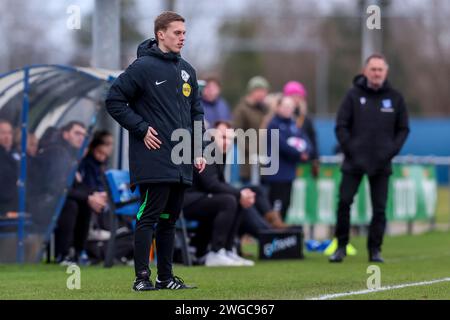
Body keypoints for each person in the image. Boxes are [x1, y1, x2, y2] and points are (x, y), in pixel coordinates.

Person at [106, 11, 206, 291]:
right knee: (148, 216)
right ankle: (141, 279)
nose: (182, 38)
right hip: (153, 158)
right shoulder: (141, 68)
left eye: (184, 33)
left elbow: (197, 111)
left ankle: (165, 277)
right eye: (177, 33)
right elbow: (114, 100)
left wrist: (197, 148)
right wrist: (140, 128)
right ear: (161, 34)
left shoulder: (187, 70)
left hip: (181, 159)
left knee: (169, 220)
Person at [329, 53, 410, 263]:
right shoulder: (352, 96)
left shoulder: (395, 98)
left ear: (386, 72)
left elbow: (403, 129)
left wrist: (390, 150)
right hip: (354, 161)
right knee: (344, 202)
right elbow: (341, 126)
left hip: (382, 163)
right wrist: (351, 149)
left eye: (380, 70)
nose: (376, 73)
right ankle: (341, 246)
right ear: (365, 71)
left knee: (380, 208)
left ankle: (375, 250)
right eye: (373, 69)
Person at [264, 96, 312, 221]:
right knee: (276, 206)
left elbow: (305, 140)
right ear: (278, 107)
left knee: (286, 204)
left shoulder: (293, 124)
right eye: (285, 106)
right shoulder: (273, 124)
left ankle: (281, 234)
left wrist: (306, 151)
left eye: (290, 107)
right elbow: (282, 145)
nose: (288, 110)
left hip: (289, 172)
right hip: (277, 173)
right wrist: (298, 154)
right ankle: (272, 234)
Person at [233, 76, 270, 183]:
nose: (263, 94)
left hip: (263, 163)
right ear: (252, 91)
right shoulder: (242, 110)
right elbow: (237, 133)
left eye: (265, 91)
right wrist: (252, 151)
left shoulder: (265, 109)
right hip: (247, 163)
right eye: (261, 91)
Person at [283, 81, 320, 178]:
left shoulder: (306, 118)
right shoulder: (282, 118)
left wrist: (315, 158)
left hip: (304, 161)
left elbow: (312, 138)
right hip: (286, 162)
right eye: (293, 96)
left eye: (299, 96)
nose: (296, 99)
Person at [0, 119, 18, 215]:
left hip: (16, 203)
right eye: (3, 133)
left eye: (9, 133)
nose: (7, 136)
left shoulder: (15, 153)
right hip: (4, 205)